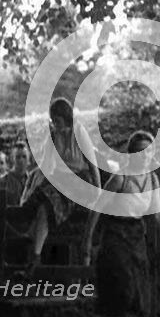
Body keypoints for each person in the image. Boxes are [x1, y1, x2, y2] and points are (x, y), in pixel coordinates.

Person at [82, 131, 160, 317]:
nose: (144, 157)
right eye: (140, 152)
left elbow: (157, 214)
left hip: (136, 236)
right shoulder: (120, 177)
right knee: (122, 288)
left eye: (148, 152)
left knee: (138, 294)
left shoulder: (152, 180)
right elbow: (97, 207)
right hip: (115, 235)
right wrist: (87, 240)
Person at [20, 98, 101, 274]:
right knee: (41, 204)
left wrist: (98, 191)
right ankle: (34, 255)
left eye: (58, 121)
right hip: (59, 180)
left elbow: (92, 165)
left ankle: (31, 244)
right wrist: (36, 187)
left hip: (79, 181)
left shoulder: (79, 132)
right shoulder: (53, 135)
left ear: (66, 118)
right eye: (53, 121)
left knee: (50, 198)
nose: (56, 125)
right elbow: (47, 166)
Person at [0, 142, 31, 266]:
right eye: (17, 157)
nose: (21, 160)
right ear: (12, 159)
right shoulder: (3, 181)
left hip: (30, 236)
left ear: (29, 160)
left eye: (24, 157)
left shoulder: (33, 181)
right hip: (8, 237)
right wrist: (16, 234)